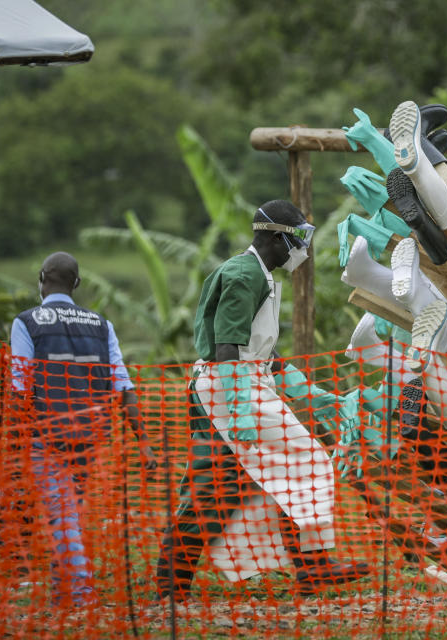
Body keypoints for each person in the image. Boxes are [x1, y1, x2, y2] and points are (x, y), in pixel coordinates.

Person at [155, 199, 369, 602]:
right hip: (227, 387)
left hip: (239, 383)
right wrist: (239, 410)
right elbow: (227, 347)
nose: (304, 248)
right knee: (295, 463)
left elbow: (263, 355)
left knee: (225, 486)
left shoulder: (261, 275)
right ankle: (313, 567)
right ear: (276, 237)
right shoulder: (242, 275)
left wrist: (316, 395)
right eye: (299, 238)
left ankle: (174, 583)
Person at [9, 251, 158, 607]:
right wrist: (145, 443)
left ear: (42, 277)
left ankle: (80, 592)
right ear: (76, 284)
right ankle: (66, 592)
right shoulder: (101, 324)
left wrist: (13, 445)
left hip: (47, 434)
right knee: (68, 510)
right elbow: (123, 385)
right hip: (89, 436)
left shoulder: (27, 322)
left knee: (62, 513)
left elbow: (20, 386)